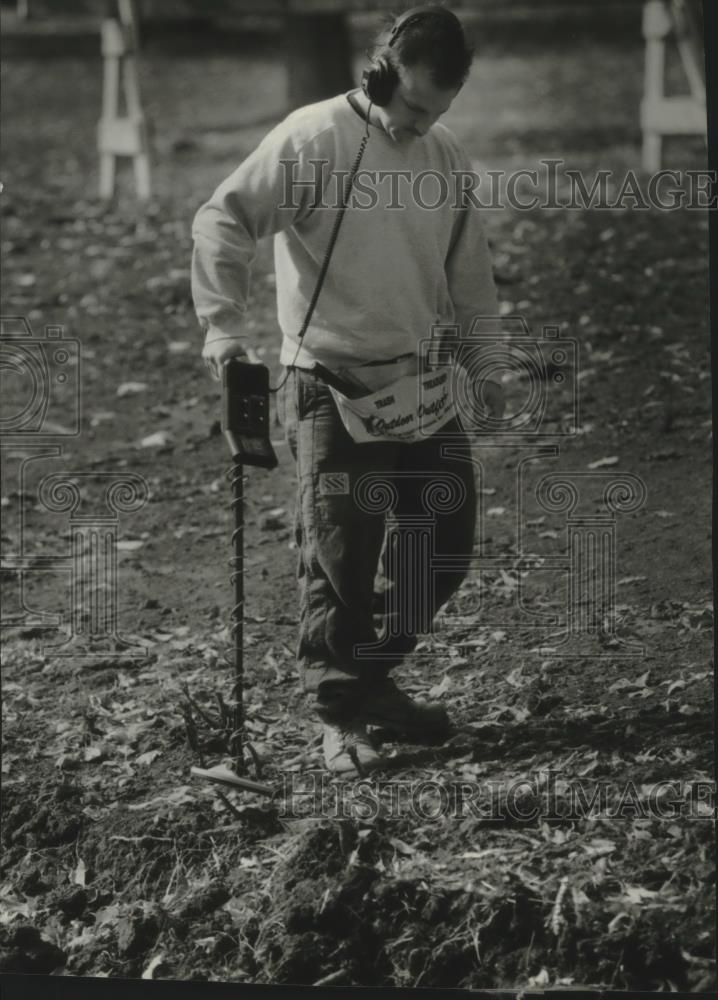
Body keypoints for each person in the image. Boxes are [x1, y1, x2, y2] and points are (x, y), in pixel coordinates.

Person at [191, 5, 503, 775]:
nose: (422, 122)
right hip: (327, 382)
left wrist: (486, 363)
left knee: (445, 540)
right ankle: (338, 716)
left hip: (418, 381)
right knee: (342, 556)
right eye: (414, 104)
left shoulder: (445, 155)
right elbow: (222, 219)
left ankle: (368, 677)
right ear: (381, 70)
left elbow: (470, 275)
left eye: (439, 109)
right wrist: (224, 328)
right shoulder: (313, 137)